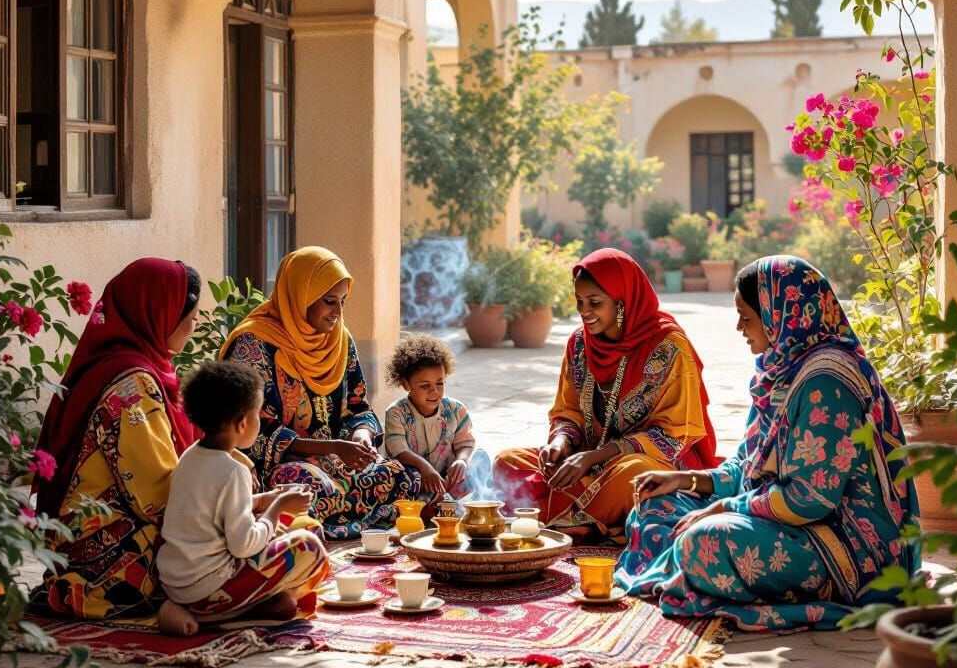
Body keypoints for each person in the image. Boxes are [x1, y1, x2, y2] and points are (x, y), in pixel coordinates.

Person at [615, 255, 920, 630]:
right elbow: (748, 463)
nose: (739, 327)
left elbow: (810, 500)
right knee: (654, 506)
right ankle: (695, 566)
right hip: (782, 517)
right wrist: (686, 480)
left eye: (746, 316)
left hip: (845, 544)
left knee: (703, 543)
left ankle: (706, 569)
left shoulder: (826, 382)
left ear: (781, 314)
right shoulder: (781, 370)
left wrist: (723, 509)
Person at [494, 247, 718, 542]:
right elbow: (568, 411)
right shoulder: (578, 344)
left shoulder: (669, 347)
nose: (584, 311)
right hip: (584, 461)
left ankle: (556, 517)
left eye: (595, 303)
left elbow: (674, 435)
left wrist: (597, 456)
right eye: (579, 302)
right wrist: (560, 443)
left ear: (622, 301)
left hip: (646, 463)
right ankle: (584, 519)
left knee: (634, 477)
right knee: (507, 461)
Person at [32, 258, 202, 624]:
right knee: (247, 548)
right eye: (190, 313)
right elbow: (158, 495)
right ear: (161, 314)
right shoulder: (131, 385)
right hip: (104, 552)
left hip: (88, 537)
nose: (195, 323)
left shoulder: (120, 366)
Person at [221, 246, 419, 539]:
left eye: (343, 302)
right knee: (308, 488)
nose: (337, 313)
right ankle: (336, 526)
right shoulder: (255, 344)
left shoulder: (339, 340)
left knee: (402, 477)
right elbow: (251, 433)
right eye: (329, 302)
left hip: (339, 457)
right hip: (284, 465)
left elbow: (358, 406)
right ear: (301, 297)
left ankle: (340, 524)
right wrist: (333, 448)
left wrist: (360, 437)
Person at [156, 361, 329, 635]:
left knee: (307, 527)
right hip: (209, 587)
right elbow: (243, 545)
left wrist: (263, 499)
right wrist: (278, 505)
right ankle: (211, 619)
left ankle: (259, 607)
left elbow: (209, 510)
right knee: (310, 544)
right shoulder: (234, 470)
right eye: (258, 415)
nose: (259, 422)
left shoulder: (191, 456)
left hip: (177, 582)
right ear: (242, 423)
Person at [383, 333, 490, 507]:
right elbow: (398, 450)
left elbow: (465, 443)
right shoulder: (396, 413)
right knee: (395, 474)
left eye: (439, 383)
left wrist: (461, 460)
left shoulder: (456, 410)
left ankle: (454, 502)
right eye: (425, 386)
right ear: (405, 385)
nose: (434, 391)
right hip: (418, 477)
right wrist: (425, 469)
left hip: (449, 478)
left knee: (480, 459)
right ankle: (431, 504)